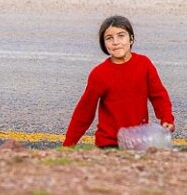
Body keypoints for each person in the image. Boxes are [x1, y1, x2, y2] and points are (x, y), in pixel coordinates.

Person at [63, 15, 175, 148]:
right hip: (109, 143)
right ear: (104, 44)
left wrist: (166, 118)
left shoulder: (144, 64)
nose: (115, 42)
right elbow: (84, 112)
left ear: (131, 39)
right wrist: (68, 145)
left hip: (138, 140)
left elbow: (159, 96)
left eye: (121, 36)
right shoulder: (99, 73)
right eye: (109, 38)